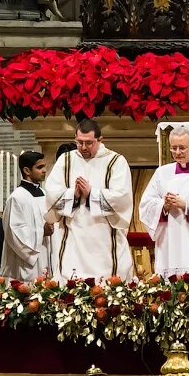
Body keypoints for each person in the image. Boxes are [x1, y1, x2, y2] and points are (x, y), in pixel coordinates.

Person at [45, 119, 135, 281]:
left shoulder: (116, 162)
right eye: (79, 143)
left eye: (89, 143)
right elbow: (51, 194)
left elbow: (123, 198)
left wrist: (92, 194)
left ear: (100, 141)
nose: (84, 148)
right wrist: (74, 195)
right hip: (73, 237)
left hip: (105, 239)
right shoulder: (65, 161)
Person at [139, 126, 189, 276]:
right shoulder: (162, 173)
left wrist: (187, 205)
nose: (177, 152)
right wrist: (163, 206)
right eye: (173, 148)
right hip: (169, 241)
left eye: (182, 148)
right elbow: (146, 204)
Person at [1, 151, 54, 281]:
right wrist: (42, 231)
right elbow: (14, 231)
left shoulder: (43, 193)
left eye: (44, 166)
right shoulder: (17, 197)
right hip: (25, 263)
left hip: (45, 253)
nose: (44, 171)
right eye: (39, 167)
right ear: (27, 170)